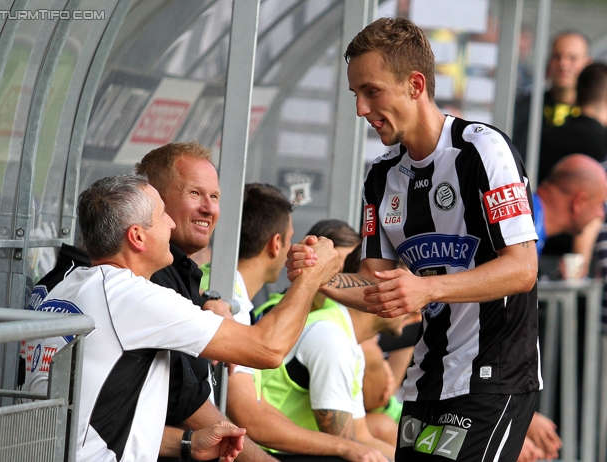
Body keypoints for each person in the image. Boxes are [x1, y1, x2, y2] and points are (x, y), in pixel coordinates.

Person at [289, 17, 540, 461]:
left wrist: (427, 288)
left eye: (371, 91)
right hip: (426, 380)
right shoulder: (381, 176)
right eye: (356, 95)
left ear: (415, 84)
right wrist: (318, 277)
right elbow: (377, 287)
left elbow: (522, 268)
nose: (361, 109)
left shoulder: (482, 149)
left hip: (492, 375)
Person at [24, 174, 339, 461]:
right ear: (137, 236)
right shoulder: (131, 298)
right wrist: (311, 276)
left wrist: (188, 442)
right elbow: (268, 348)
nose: (172, 225)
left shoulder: (69, 286)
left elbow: (90, 424)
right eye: (162, 216)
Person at [202, 191, 389, 461]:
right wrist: (344, 447)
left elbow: (256, 408)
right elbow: (249, 417)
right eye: (291, 240)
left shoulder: (227, 291)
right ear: (276, 244)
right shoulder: (231, 301)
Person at [135, 142, 275, 462]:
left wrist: (208, 299)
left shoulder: (180, 273)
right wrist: (312, 277)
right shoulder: (149, 281)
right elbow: (269, 349)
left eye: (214, 197)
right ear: (154, 199)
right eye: (194, 194)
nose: (209, 208)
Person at [256, 220, 418, 460]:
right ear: (380, 288)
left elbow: (362, 437)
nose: (415, 306)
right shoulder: (332, 336)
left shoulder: (346, 334)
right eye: (405, 291)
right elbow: (344, 445)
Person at [513, 31, 592, 161]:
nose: (563, 64)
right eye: (557, 56)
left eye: (572, 58)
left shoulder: (594, 115)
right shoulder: (525, 108)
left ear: (588, 63)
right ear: (549, 61)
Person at [532, 154, 607, 257]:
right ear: (579, 203)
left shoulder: (532, 221)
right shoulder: (527, 230)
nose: (601, 214)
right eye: (600, 204)